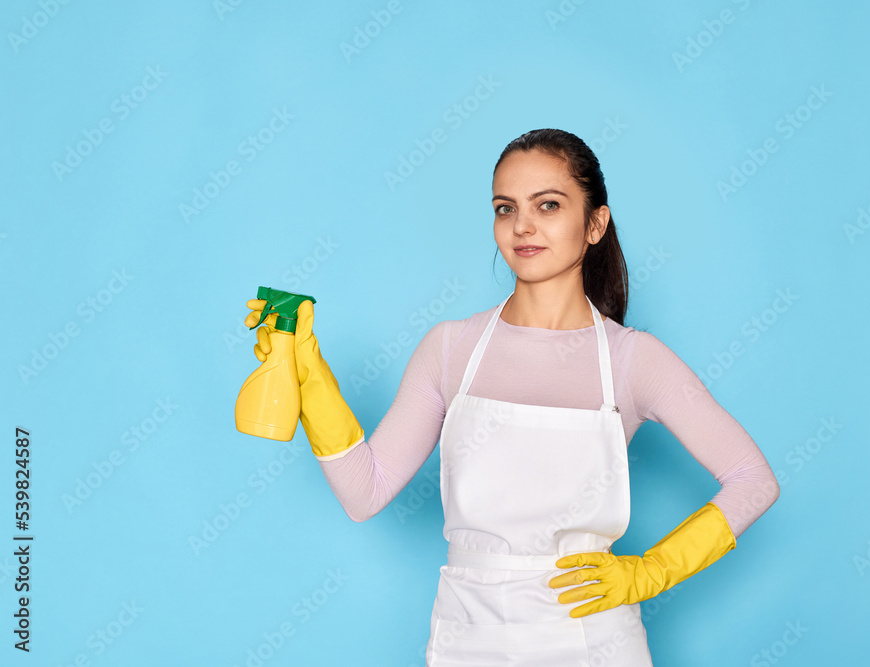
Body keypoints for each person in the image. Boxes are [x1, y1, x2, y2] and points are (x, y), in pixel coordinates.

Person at [244, 128, 780, 665]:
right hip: (468, 636)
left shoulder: (633, 360)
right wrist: (309, 372)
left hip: (589, 637)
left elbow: (753, 481)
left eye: (548, 205)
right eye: (506, 208)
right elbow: (366, 492)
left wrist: (651, 571)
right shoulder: (451, 348)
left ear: (595, 224)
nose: (522, 225)